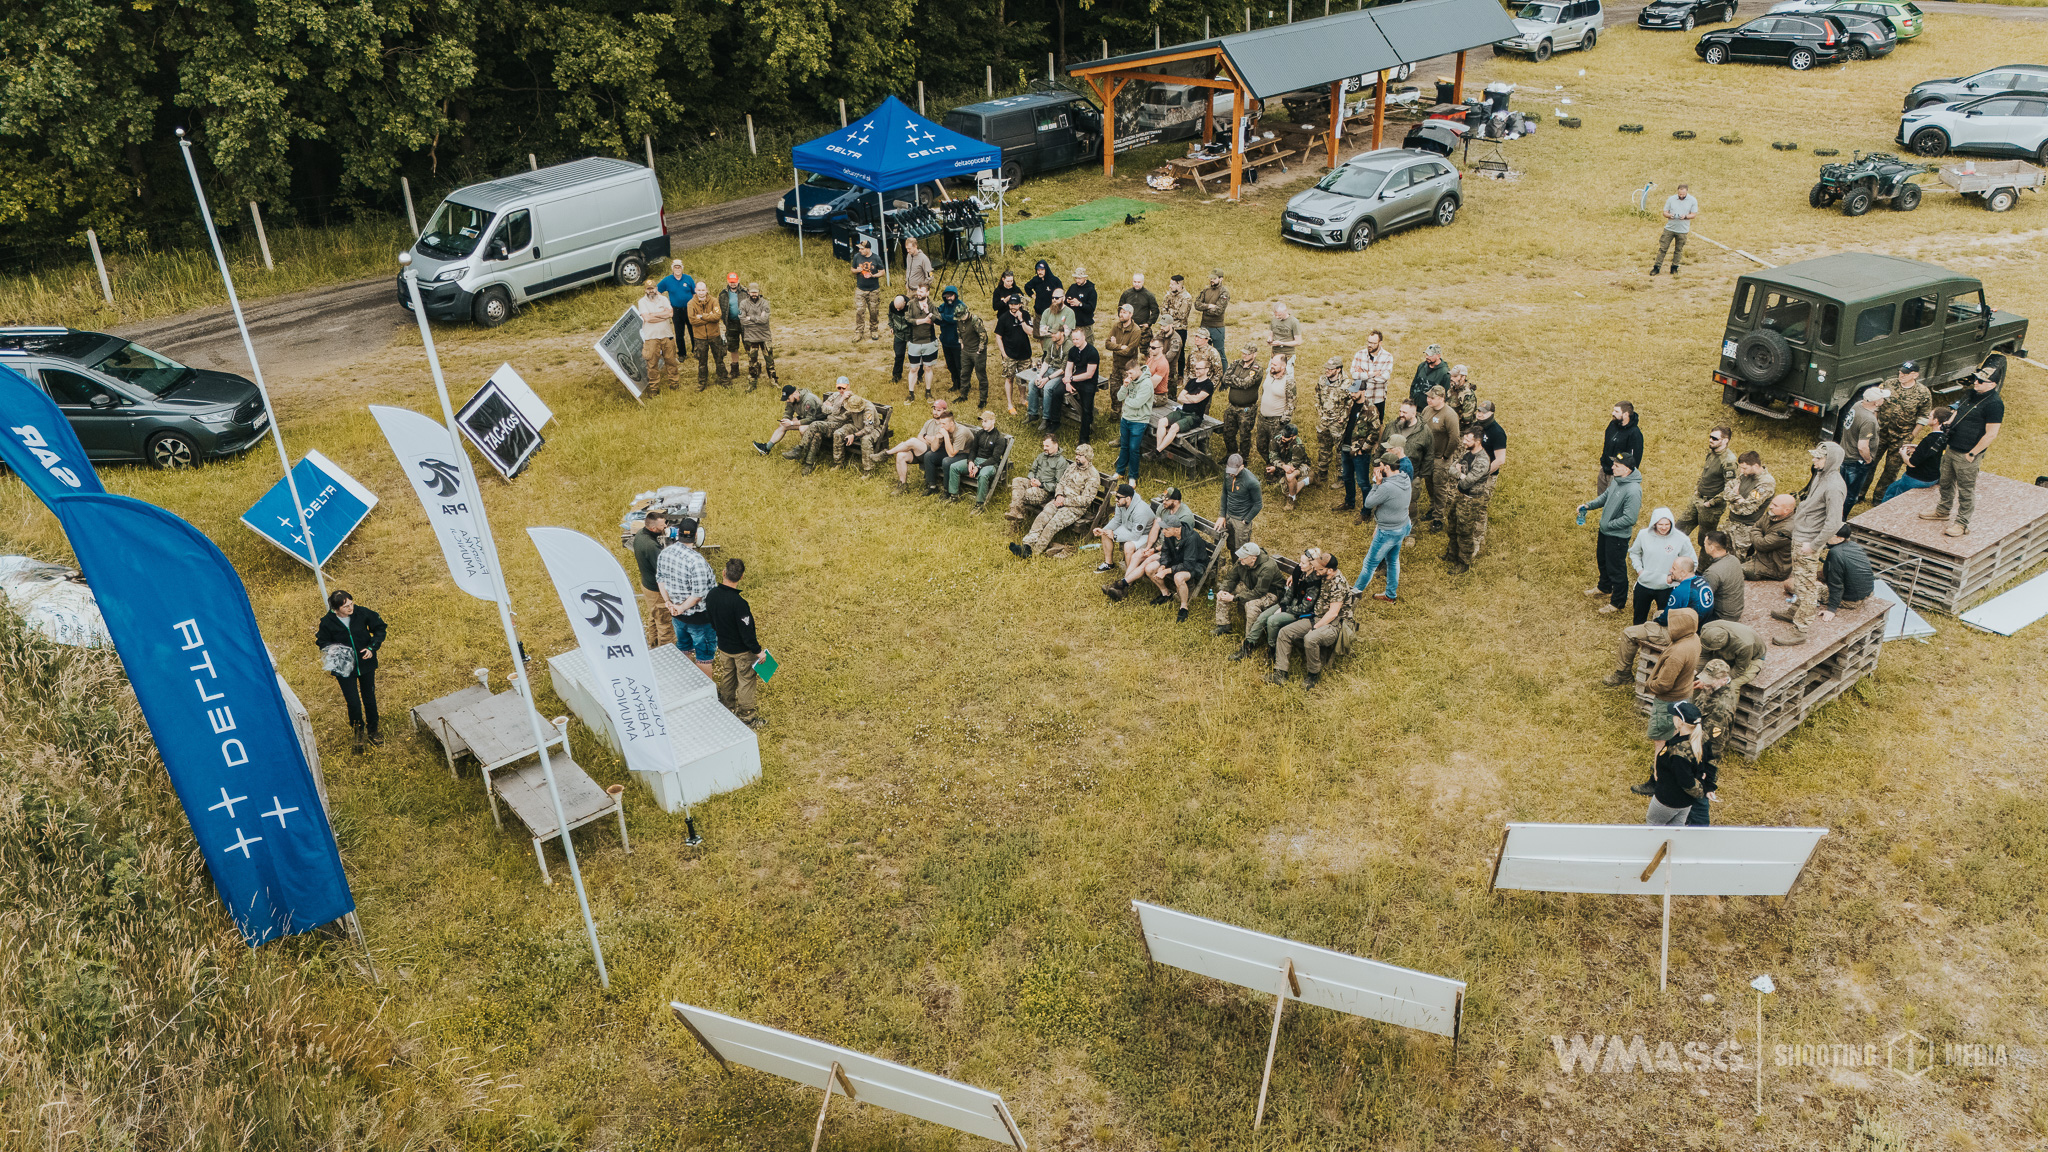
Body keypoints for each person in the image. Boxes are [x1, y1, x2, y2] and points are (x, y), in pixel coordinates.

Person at [1920, 366, 2004, 538]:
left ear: (1993, 384)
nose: (1976, 382)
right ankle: (1943, 510)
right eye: (1976, 378)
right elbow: (1958, 410)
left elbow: (1992, 433)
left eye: (1981, 381)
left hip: (1968, 453)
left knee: (1966, 490)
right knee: (1945, 481)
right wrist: (1948, 423)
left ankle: (1962, 523)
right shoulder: (1970, 393)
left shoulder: (1995, 404)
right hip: (1952, 447)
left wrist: (1972, 454)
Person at [1775, 443, 1845, 646]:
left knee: (1807, 587)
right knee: (1798, 578)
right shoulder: (1821, 475)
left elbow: (1833, 523)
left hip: (1808, 541)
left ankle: (1800, 629)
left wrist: (1814, 545)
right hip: (1801, 537)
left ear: (1830, 460)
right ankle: (1794, 611)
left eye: (1819, 458)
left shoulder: (1834, 486)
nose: (1814, 461)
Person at [1606, 555, 1708, 685]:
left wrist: (1653, 623)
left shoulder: (1681, 591)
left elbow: (1665, 620)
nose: (1671, 570)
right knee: (1658, 613)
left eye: (1674, 568)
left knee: (1629, 633)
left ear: (1683, 572)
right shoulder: (1701, 581)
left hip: (1678, 633)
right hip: (1695, 628)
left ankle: (1622, 674)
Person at [315, 589, 386, 751]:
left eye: (351, 604)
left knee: (369, 698)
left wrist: (372, 647)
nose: (350, 608)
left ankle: (373, 731)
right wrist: (336, 650)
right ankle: (358, 733)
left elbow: (380, 628)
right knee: (353, 702)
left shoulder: (362, 613)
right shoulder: (327, 622)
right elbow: (322, 641)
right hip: (344, 668)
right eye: (346, 606)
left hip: (366, 664)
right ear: (336, 609)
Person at [1270, 550, 1347, 688]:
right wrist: (1294, 577)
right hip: (1316, 617)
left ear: (1329, 570)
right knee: (1284, 632)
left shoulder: (1338, 585)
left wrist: (1315, 628)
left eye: (1319, 569)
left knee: (1311, 638)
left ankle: (1313, 675)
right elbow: (1307, 572)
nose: (1316, 570)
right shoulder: (1324, 574)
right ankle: (1280, 673)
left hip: (1332, 625)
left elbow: (1333, 613)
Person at [1579, 459, 1644, 614]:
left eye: (1617, 466)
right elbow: (1605, 496)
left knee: (1616, 568)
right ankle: (1604, 587)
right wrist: (1588, 505)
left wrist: (1608, 525)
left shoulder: (1633, 490)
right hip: (1605, 532)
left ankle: (1618, 602)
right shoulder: (1617, 480)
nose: (1612, 467)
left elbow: (1630, 519)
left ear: (1627, 469)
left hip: (1617, 537)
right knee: (1603, 561)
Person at [1011, 444, 1101, 557]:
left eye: (1080, 455)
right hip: (1059, 500)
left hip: (1074, 508)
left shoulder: (1093, 475)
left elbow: (1086, 500)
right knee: (1042, 517)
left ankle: (1034, 553)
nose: (1077, 457)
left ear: (1087, 457)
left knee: (1052, 525)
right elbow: (1061, 483)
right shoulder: (1072, 466)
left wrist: (1065, 501)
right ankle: (1027, 545)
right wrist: (1058, 495)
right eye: (1076, 454)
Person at [657, 517, 718, 675]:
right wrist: (681, 608)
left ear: (678, 534)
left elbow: (660, 579)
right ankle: (705, 696)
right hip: (699, 619)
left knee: (684, 649)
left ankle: (687, 685)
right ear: (696, 535)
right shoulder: (697, 561)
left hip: (677, 618)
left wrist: (669, 603)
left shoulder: (665, 553)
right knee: (704, 657)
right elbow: (698, 595)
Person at [706, 558, 762, 727]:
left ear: (723, 573)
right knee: (746, 679)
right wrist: (757, 651)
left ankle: (726, 705)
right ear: (741, 577)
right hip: (741, 651)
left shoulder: (712, 595)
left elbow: (711, 621)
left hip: (723, 647)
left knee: (728, 675)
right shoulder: (740, 604)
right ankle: (747, 715)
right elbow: (747, 633)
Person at [1237, 550, 1321, 661]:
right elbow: (1291, 590)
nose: (1300, 564)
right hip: (1289, 604)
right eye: (1300, 561)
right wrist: (1283, 604)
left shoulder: (1315, 582)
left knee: (1272, 621)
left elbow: (1305, 607)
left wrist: (1285, 609)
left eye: (1303, 563)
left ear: (1312, 565)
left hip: (1300, 613)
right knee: (1262, 617)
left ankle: (1273, 651)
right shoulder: (1299, 570)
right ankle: (1248, 646)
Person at [1354, 452, 1413, 603]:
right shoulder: (1405, 478)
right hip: (1403, 525)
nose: (1377, 469)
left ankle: (1352, 595)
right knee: (1393, 561)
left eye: (1380, 467)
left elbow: (1368, 503)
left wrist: (1377, 483)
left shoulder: (1387, 487)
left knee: (1369, 564)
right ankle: (1390, 594)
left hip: (1388, 532)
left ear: (1386, 467)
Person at [1641, 607, 1702, 752]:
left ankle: (1659, 771)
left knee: (1660, 737)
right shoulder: (1694, 638)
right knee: (1676, 729)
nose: (1669, 627)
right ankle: (1671, 758)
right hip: (1684, 694)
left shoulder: (1677, 654)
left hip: (1668, 700)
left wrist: (1650, 685)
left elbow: (1664, 684)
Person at [1873, 360, 1935, 498]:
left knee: (1891, 469)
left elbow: (1923, 417)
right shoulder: (1889, 384)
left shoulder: (1923, 393)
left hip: (1901, 437)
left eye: (1906, 373)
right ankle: (1860, 493)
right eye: (1901, 372)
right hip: (1881, 433)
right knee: (1870, 463)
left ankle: (1879, 497)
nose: (1901, 375)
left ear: (1915, 375)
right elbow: (1877, 404)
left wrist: (1911, 435)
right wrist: (1874, 422)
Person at [1627, 506, 1697, 626]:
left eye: (1667, 524)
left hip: (1667, 587)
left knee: (1666, 621)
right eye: (1660, 524)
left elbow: (1692, 563)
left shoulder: (1682, 539)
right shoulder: (1643, 535)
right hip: (1644, 584)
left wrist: (1675, 577)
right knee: (1639, 619)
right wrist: (1640, 570)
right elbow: (1634, 553)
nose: (1664, 527)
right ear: (1654, 524)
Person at [1644, 702, 1711, 826]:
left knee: (1653, 825)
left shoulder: (1677, 752)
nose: (1672, 717)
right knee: (1677, 827)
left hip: (1668, 799)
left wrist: (1701, 790)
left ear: (1680, 722)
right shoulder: (1702, 738)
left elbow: (1686, 781)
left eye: (1674, 715)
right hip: (1686, 802)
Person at [1672, 425, 1738, 545]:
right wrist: (1697, 489)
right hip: (1698, 499)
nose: (1710, 440)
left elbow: (1731, 488)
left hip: (1711, 508)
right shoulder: (1712, 452)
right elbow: (1705, 473)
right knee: (1678, 529)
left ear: (1725, 440)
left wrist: (1711, 503)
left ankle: (1704, 564)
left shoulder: (1729, 461)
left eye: (1714, 438)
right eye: (1710, 437)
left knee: (1706, 541)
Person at [1140, 519, 1210, 622]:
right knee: (1149, 569)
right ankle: (1166, 594)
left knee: (1178, 577)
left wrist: (1167, 571)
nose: (1163, 531)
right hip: (1177, 559)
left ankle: (1184, 607)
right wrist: (1163, 565)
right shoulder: (1169, 535)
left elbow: (1189, 565)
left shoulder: (1191, 538)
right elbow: (1165, 551)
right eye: (1163, 529)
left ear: (1177, 530)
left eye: (1167, 529)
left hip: (1195, 565)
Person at [1335, 372, 1384, 513]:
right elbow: (1345, 418)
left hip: (1359, 451)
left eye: (1355, 392)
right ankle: (1349, 503)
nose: (1352, 394)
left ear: (1363, 391)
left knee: (1363, 482)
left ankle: (1366, 510)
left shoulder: (1371, 409)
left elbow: (1375, 432)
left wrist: (1364, 449)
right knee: (1347, 478)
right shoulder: (1351, 404)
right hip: (1346, 447)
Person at [1214, 541, 1285, 640]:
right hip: (1251, 586)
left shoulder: (1267, 567)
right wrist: (1223, 589)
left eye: (1243, 557)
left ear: (1253, 558)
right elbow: (1231, 578)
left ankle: (1250, 639)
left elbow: (1259, 592)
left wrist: (1234, 598)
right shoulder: (1242, 562)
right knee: (1224, 594)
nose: (1240, 559)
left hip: (1270, 593)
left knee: (1251, 606)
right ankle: (1223, 625)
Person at [1881, 406, 1952, 503]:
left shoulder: (1929, 440)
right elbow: (1933, 452)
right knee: (1892, 488)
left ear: (1935, 421)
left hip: (1916, 478)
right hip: (1933, 477)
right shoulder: (1945, 438)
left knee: (1894, 500)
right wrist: (1918, 448)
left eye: (1930, 415)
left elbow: (1911, 463)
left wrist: (1903, 453)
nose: (1928, 416)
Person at [884, 398, 955, 492]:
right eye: (934, 409)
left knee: (913, 441)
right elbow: (920, 436)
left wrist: (926, 438)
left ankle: (887, 453)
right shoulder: (929, 422)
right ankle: (902, 484)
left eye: (939, 410)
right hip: (922, 450)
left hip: (935, 453)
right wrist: (928, 439)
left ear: (944, 411)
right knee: (901, 455)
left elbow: (936, 443)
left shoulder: (944, 424)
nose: (935, 412)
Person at [1445, 429, 1492, 575]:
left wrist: (1459, 475)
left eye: (1467, 440)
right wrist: (1461, 475)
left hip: (1471, 499)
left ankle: (1463, 562)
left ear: (1477, 442)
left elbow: (1468, 483)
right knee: (1452, 523)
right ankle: (1452, 553)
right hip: (1460, 495)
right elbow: (1450, 469)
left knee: (1465, 531)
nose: (1464, 442)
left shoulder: (1482, 461)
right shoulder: (1467, 452)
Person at [1155, 351, 1214, 456]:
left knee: (1174, 427)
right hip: (1183, 411)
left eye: (1199, 368)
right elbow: (1180, 397)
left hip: (1194, 416)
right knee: (1162, 422)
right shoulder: (1192, 381)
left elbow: (1197, 400)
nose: (1196, 370)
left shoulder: (1208, 385)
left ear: (1207, 370)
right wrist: (1191, 398)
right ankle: (1159, 450)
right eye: (1196, 368)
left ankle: (1157, 451)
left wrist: (1188, 397)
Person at [1029, 289, 1076, 422]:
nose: (1054, 300)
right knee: (1033, 382)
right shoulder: (1046, 312)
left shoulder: (1069, 313)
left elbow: (1067, 332)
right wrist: (1056, 332)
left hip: (1062, 359)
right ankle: (1032, 413)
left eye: (1057, 298)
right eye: (1053, 298)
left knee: (1048, 386)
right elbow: (1041, 331)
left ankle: (1046, 418)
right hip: (1049, 350)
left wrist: (1051, 331)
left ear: (1063, 298)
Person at [1421, 385, 1461, 533]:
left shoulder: (1449, 415)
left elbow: (1455, 438)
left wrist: (1446, 455)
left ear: (1442, 398)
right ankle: (1433, 508)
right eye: (1428, 397)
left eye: (1432, 398)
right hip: (1427, 456)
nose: (1428, 400)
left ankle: (1438, 517)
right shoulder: (1426, 410)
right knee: (1429, 484)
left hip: (1440, 458)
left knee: (1440, 487)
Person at [1815, 524, 1874, 620]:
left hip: (1850, 601)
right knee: (1817, 574)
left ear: (1840, 538)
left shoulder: (1836, 553)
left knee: (1791, 585)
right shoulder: (1853, 545)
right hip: (1866, 593)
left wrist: (1831, 609)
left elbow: (1836, 583)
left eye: (1830, 534)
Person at [1092, 482, 1155, 573]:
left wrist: (1115, 536)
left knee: (1128, 546)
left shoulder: (1140, 511)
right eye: (1116, 496)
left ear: (1128, 498)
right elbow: (1117, 520)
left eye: (1118, 497)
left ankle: (1129, 575)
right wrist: (1103, 530)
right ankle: (1108, 564)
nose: (1116, 500)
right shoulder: (1121, 503)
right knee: (1106, 533)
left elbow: (1135, 535)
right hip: (1129, 527)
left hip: (1144, 534)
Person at [1723, 451, 1777, 557]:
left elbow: (1746, 508)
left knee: (1740, 561)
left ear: (1755, 466)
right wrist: (1738, 498)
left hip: (1745, 530)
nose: (1741, 471)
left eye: (1744, 468)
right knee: (1725, 556)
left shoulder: (1765, 483)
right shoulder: (1745, 474)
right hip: (1731, 523)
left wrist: (1732, 498)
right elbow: (1727, 488)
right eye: (1741, 468)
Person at [1839, 388, 1886, 510]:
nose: (1884, 399)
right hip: (1855, 462)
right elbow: (1862, 446)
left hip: (1845, 454)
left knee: (1840, 490)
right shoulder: (1868, 421)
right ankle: (1841, 518)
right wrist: (1868, 460)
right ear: (1875, 402)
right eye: (1882, 398)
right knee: (1850, 496)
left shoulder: (1858, 405)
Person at [1007, 435, 1070, 522]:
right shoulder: (1041, 456)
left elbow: (1058, 485)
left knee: (1023, 493)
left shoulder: (1061, 462)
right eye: (1044, 446)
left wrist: (1041, 485)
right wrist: (1032, 479)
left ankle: (1017, 514)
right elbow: (1032, 470)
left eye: (1047, 446)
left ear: (1056, 445)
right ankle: (1017, 513)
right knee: (1017, 481)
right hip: (1034, 483)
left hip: (1046, 491)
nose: (1044, 448)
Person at [948, 410, 1006, 504]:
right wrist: (970, 461)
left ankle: (980, 503)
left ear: (993, 421)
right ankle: (954, 496)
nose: (983, 424)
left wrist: (979, 467)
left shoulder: (999, 438)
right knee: (954, 467)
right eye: (982, 421)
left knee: (983, 475)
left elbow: (995, 458)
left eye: (985, 421)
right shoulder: (980, 434)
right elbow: (973, 450)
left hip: (989, 464)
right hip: (976, 460)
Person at [1310, 357, 1351, 489]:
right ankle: (1322, 474)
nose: (1327, 370)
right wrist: (1320, 412)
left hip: (1338, 423)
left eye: (1330, 369)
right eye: (1326, 368)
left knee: (1340, 450)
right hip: (1324, 421)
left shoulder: (1347, 383)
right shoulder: (1322, 380)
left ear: (1338, 370)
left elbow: (1351, 402)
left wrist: (1343, 416)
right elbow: (1317, 395)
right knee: (1323, 447)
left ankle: (1342, 477)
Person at [946, 287, 991, 407]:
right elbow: (959, 331)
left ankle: (983, 399)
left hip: (977, 351)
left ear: (966, 313)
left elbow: (984, 336)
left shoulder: (975, 320)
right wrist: (961, 342)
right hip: (965, 350)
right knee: (964, 374)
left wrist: (980, 349)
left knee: (981, 375)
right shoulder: (959, 320)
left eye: (961, 317)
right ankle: (963, 395)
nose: (960, 320)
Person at [1218, 344, 1264, 461]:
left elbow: (1245, 384)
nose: (1244, 355)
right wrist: (1238, 381)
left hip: (1246, 409)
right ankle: (1231, 454)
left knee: (1244, 436)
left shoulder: (1257, 368)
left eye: (1247, 354)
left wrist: (1233, 379)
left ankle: (1243, 459)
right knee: (1228, 432)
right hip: (1232, 406)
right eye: (1243, 353)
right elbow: (1224, 378)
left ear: (1254, 355)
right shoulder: (1236, 363)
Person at [1053, 327, 1101, 439]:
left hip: (1088, 382)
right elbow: (1068, 367)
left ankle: (1084, 437)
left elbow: (1089, 374)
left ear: (1084, 338)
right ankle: (1054, 422)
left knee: (1086, 408)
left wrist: (1071, 379)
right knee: (1056, 392)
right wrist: (1068, 383)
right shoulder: (1073, 350)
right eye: (1073, 339)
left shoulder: (1092, 352)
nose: (1075, 342)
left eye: (1077, 339)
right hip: (1074, 379)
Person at [756, 384, 827, 458]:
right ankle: (766, 448)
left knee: (802, 429)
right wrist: (785, 419)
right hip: (805, 417)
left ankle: (807, 452)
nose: (787, 400)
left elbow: (810, 419)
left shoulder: (808, 400)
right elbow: (788, 412)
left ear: (795, 394)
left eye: (788, 398)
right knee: (783, 425)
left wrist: (792, 423)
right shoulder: (791, 399)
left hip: (819, 420)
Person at [631, 508, 669, 645]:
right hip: (656, 590)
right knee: (665, 625)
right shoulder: (651, 546)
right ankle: (665, 656)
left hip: (646, 585)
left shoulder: (640, 534)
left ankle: (653, 646)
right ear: (653, 528)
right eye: (662, 525)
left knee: (654, 618)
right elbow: (663, 571)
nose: (665, 526)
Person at [633, 281, 678, 396]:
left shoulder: (663, 299)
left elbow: (670, 314)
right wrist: (662, 315)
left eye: (652, 288)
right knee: (652, 364)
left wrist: (654, 315)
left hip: (667, 335)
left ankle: (674, 384)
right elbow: (647, 318)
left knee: (671, 361)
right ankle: (654, 388)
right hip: (651, 337)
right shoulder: (642, 302)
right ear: (645, 290)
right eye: (648, 289)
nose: (651, 291)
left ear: (656, 288)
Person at [995, 295, 1036, 416]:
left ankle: (1022, 399)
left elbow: (1030, 332)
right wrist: (1003, 353)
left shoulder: (1026, 315)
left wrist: (1021, 319)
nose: (1013, 307)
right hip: (1010, 355)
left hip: (1024, 353)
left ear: (1020, 305)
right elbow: (998, 336)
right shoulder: (1003, 318)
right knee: (1009, 378)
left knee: (1023, 379)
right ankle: (1010, 404)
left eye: (1015, 304)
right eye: (1011, 304)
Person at [1698, 618, 1767, 691]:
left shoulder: (1745, 645)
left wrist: (1722, 681)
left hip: (1752, 658)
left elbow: (1739, 670)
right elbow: (1704, 655)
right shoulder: (1706, 629)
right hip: (1724, 651)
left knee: (1731, 686)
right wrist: (1695, 671)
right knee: (1699, 676)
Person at [1113, 363, 1155, 480]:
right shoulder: (1130, 381)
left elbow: (1137, 404)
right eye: (1127, 374)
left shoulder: (1146, 384)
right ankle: (1120, 471)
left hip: (1139, 421)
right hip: (1126, 418)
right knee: (1124, 446)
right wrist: (1124, 386)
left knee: (1133, 449)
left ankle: (1133, 476)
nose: (1129, 376)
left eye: (1131, 373)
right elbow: (1119, 397)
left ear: (1138, 369)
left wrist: (1127, 400)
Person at [1741, 494, 1798, 580]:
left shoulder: (1786, 529)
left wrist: (1756, 532)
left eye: (1775, 505)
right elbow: (1756, 526)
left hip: (1773, 567)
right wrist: (1757, 532)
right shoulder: (1773, 514)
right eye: (1772, 503)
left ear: (1786, 510)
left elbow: (1761, 545)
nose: (1770, 507)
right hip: (1762, 559)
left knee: (1734, 571)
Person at [1218, 453, 1262, 556]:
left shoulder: (1252, 482)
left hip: (1240, 520)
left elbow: (1258, 504)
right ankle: (1235, 565)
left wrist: (1246, 521)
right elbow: (1224, 493)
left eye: (1234, 472)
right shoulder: (1227, 474)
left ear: (1242, 467)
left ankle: (1242, 569)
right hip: (1229, 516)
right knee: (1231, 544)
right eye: (1229, 471)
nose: (1231, 474)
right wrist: (1222, 515)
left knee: (1241, 550)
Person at [904, 286, 943, 402]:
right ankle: (911, 394)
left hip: (929, 342)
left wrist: (928, 313)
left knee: (928, 367)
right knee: (913, 369)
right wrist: (924, 321)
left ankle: (928, 392)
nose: (918, 293)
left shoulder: (932, 305)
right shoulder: (910, 304)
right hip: (914, 342)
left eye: (921, 291)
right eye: (918, 291)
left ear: (927, 292)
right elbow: (907, 320)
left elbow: (939, 320)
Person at [919, 410, 972, 496]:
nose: (941, 426)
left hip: (965, 454)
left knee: (946, 461)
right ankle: (932, 486)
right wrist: (937, 437)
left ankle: (947, 491)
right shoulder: (944, 428)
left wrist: (946, 436)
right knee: (928, 456)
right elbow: (933, 449)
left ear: (951, 423)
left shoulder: (961, 432)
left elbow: (951, 454)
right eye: (941, 423)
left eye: (944, 424)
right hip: (952, 450)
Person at [1254, 354, 1295, 464]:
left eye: (1274, 364)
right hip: (1263, 418)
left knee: (1276, 449)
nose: (1271, 366)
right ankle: (1271, 464)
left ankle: (1277, 470)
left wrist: (1282, 422)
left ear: (1283, 366)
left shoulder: (1289, 381)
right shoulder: (1269, 375)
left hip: (1276, 421)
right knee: (1261, 446)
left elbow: (1291, 404)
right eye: (1271, 363)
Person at [685, 282, 727, 389]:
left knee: (719, 359)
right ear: (695, 290)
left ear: (706, 290)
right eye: (699, 290)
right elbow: (692, 320)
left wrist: (702, 316)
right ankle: (702, 382)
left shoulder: (714, 300)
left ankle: (724, 379)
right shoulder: (690, 303)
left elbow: (717, 316)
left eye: (703, 290)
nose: (701, 292)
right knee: (702, 362)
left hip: (714, 336)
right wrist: (709, 318)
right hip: (700, 338)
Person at [1652, 182, 1698, 275]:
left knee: (1678, 250)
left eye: (1683, 194)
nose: (1681, 196)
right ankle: (1657, 267)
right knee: (1663, 248)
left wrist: (1685, 216)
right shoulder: (1671, 199)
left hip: (1683, 230)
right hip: (1670, 228)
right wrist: (1670, 215)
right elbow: (1665, 212)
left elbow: (1693, 214)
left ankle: (1674, 267)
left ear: (1687, 192)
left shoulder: (1692, 200)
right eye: (1680, 194)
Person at [1698, 531, 1745, 622]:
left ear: (1711, 548)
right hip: (1736, 611)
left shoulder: (1712, 572)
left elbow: (1702, 600)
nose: (1704, 547)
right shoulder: (1734, 559)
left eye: (1705, 544)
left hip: (1722, 617)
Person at [1599, 401, 1644, 495]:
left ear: (1625, 414)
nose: (1613, 413)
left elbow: (1634, 460)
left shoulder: (1634, 434)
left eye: (1616, 411)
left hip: (1617, 476)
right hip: (1604, 470)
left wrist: (1623, 477)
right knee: (1602, 501)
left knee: (1614, 504)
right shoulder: (1612, 425)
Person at [1349, 330, 1394, 423]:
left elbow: (1384, 378)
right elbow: (1354, 374)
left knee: (1378, 424)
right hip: (1360, 398)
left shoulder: (1388, 357)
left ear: (1380, 343)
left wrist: (1363, 374)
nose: (1370, 345)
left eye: (1373, 343)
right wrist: (1372, 374)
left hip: (1377, 398)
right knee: (1355, 423)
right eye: (1369, 342)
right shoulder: (1359, 354)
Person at [737, 282, 774, 391]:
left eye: (756, 292)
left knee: (770, 360)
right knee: (752, 362)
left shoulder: (765, 303)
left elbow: (765, 320)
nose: (754, 294)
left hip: (765, 336)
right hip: (750, 337)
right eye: (752, 292)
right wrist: (757, 318)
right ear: (748, 292)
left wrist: (750, 318)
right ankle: (752, 384)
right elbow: (742, 321)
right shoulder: (743, 303)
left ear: (759, 292)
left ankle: (773, 381)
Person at [1264, 424, 1313, 507]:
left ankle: (1291, 500)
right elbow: (1273, 457)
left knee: (1289, 476)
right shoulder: (1276, 439)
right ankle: (1305, 480)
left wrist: (1276, 468)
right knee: (1284, 488)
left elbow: (1293, 466)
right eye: (1282, 434)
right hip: (1285, 464)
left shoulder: (1298, 446)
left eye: (1286, 436)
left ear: (1293, 437)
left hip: (1299, 465)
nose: (1283, 437)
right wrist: (1282, 466)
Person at [657, 259, 698, 354]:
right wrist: (665, 302)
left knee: (693, 331)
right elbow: (657, 291)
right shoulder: (667, 280)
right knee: (679, 333)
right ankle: (682, 353)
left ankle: (696, 351)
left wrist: (694, 305)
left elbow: (694, 293)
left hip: (689, 309)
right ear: (672, 268)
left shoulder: (688, 278)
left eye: (679, 267)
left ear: (682, 268)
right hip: (676, 310)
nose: (677, 269)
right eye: (675, 267)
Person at [1161, 274, 1194, 377]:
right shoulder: (1168, 295)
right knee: (1165, 349)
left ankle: (1180, 375)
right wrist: (1169, 314)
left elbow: (1182, 315)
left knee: (1179, 353)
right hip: (1167, 327)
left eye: (1172, 284)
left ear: (1179, 284)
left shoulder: (1186, 298)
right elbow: (1162, 309)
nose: (1170, 286)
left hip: (1180, 328)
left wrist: (1168, 313)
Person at [851, 239, 883, 342]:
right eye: (859, 248)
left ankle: (874, 330)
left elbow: (882, 272)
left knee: (873, 311)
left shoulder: (876, 258)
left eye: (862, 249)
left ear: (868, 249)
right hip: (860, 289)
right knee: (860, 311)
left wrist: (873, 275)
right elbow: (852, 270)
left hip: (873, 290)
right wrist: (857, 270)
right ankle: (859, 332)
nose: (860, 250)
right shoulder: (857, 257)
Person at [1104, 304, 1142, 388]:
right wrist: (1120, 347)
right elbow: (1107, 344)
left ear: (1131, 314)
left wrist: (1113, 347)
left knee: (1128, 394)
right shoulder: (1116, 326)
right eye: (1120, 312)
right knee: (1114, 394)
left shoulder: (1136, 330)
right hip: (1116, 366)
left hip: (1128, 369)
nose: (1121, 314)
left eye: (1124, 312)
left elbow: (1128, 352)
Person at [716, 273, 746, 381]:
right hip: (731, 323)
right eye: (730, 281)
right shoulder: (723, 294)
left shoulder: (745, 292)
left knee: (749, 345)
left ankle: (753, 367)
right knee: (733, 347)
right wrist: (725, 321)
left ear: (738, 281)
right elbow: (721, 309)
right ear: (728, 281)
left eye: (734, 281)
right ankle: (735, 368)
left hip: (744, 323)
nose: (733, 284)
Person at [1195, 268, 1230, 357]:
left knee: (1220, 353)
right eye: (1211, 278)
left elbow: (1218, 310)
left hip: (1217, 328)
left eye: (1214, 279)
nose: (1212, 280)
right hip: (1204, 326)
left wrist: (1204, 309)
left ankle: (1223, 371)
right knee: (1203, 353)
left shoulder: (1224, 292)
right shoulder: (1206, 290)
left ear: (1221, 279)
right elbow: (1197, 304)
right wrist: (1209, 306)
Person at [1408, 344, 1449, 413]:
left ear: (1438, 356)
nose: (1427, 357)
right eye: (1426, 354)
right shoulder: (1421, 366)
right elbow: (1414, 384)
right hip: (1415, 406)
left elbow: (1445, 395)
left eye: (1430, 355)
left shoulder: (1445, 373)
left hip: (1430, 410)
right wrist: (1412, 398)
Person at [1120, 273, 1160, 340]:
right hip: (1128, 326)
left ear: (1142, 282)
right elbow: (1120, 308)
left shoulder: (1149, 295)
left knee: (1143, 349)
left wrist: (1148, 323)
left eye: (1139, 282)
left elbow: (1155, 311)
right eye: (1135, 282)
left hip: (1142, 328)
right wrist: (1123, 320)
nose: (1136, 284)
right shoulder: (1126, 294)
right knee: (1126, 348)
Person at [1065, 265, 1098, 340]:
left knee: (1087, 348)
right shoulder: (1073, 287)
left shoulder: (1091, 290)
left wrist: (1080, 304)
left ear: (1085, 278)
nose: (1077, 280)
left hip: (1085, 325)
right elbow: (1066, 299)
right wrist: (1067, 300)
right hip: (1073, 324)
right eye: (1076, 278)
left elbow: (1091, 308)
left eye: (1079, 278)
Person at [1265, 301, 1302, 366]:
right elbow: (1271, 334)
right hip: (1275, 353)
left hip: (1288, 354)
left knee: (1286, 374)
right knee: (1271, 373)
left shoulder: (1294, 322)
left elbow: (1298, 342)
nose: (1277, 317)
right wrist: (1270, 340)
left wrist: (1282, 343)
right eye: (1275, 315)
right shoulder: (1274, 320)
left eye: (1279, 315)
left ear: (1285, 311)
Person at [887, 294, 912, 386]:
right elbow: (890, 316)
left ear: (905, 303)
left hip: (910, 334)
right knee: (898, 355)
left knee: (914, 356)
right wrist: (891, 326)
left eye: (900, 308)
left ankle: (919, 375)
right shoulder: (892, 305)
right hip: (898, 334)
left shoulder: (911, 306)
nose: (897, 310)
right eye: (896, 308)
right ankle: (897, 375)